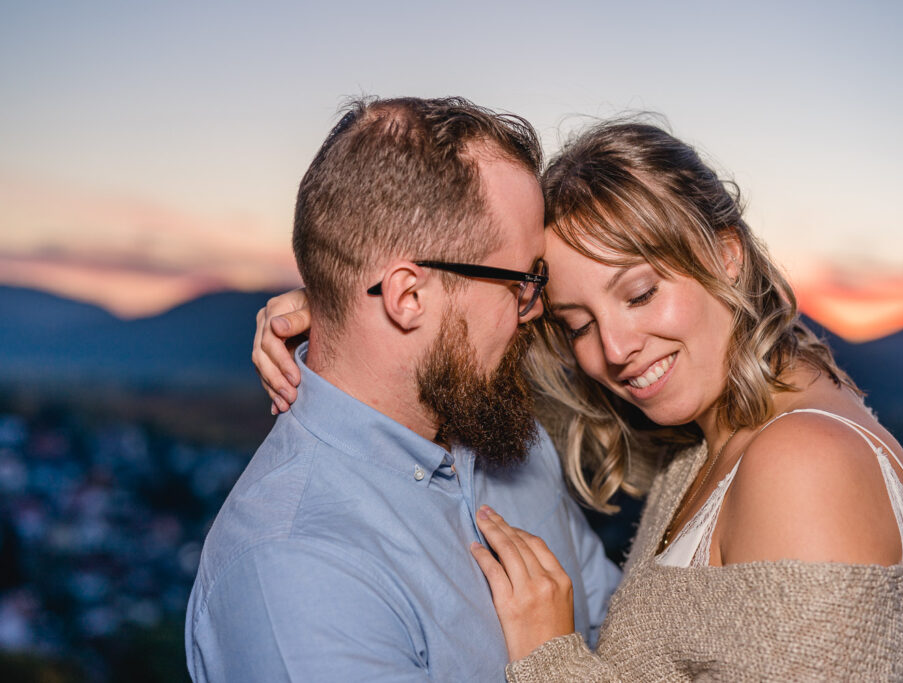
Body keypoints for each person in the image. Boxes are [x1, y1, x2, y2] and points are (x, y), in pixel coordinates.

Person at [255, 120, 903, 680]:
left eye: (640, 291)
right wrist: (354, 309)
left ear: (726, 255)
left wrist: (550, 660)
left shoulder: (804, 463)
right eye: (576, 323)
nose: (613, 348)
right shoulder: (721, 443)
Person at [187, 97, 620, 683]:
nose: (534, 309)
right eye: (521, 282)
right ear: (408, 297)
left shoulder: (507, 431)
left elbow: (626, 634)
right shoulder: (295, 573)